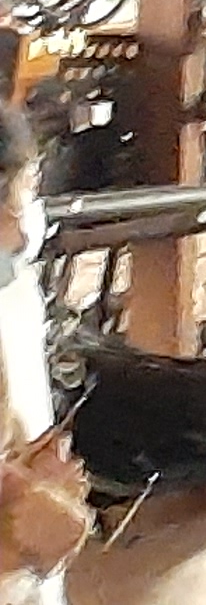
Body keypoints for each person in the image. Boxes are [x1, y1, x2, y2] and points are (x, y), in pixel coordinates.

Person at [0, 107, 87, 605]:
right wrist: (29, 493)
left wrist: (36, 472)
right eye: (21, 192)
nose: (22, 225)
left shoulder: (15, 290)